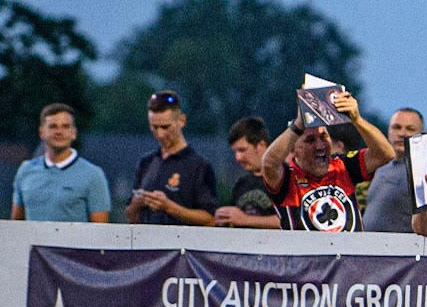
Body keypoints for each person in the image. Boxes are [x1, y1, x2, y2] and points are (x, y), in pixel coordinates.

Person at [261, 88, 394, 232]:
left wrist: (357, 119)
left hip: (351, 253)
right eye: (310, 140)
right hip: (306, 254)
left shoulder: (343, 166)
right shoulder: (288, 177)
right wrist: (299, 124)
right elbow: (268, 165)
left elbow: (385, 154)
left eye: (324, 137)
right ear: (293, 150)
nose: (319, 146)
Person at [126, 91, 218, 227]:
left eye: (165, 127)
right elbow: (131, 216)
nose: (160, 134)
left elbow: (210, 220)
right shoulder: (146, 162)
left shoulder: (199, 166)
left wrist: (169, 207)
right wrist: (136, 203)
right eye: (154, 127)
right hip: (147, 244)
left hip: (182, 245)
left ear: (182, 120)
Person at [11, 103, 110, 223]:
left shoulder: (93, 174)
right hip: (34, 242)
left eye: (65, 126)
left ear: (74, 133)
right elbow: (16, 222)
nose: (59, 131)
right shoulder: (25, 170)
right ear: (42, 132)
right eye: (53, 126)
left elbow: (100, 230)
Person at [361, 107, 425, 232]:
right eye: (396, 127)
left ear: (421, 134)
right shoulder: (380, 168)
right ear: (388, 131)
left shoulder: (425, 173)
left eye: (410, 129)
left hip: (405, 250)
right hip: (369, 249)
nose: (402, 133)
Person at [214, 117, 279, 229]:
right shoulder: (242, 184)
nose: (238, 157)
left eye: (242, 150)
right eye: (235, 152)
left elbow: (291, 220)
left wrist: (245, 219)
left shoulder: (283, 179)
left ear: (261, 145)